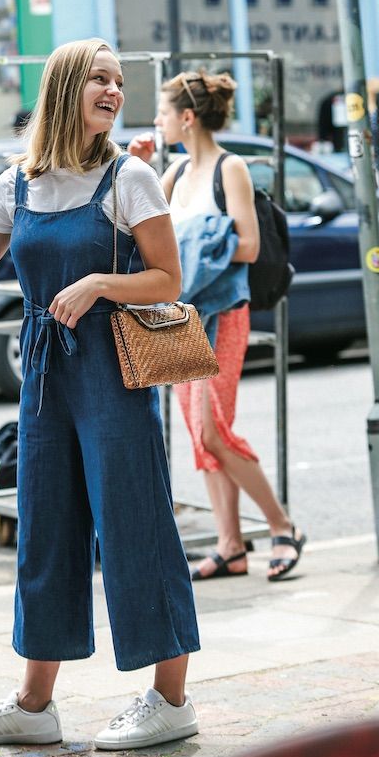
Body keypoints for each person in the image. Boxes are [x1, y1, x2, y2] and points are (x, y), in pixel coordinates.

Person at [0, 38, 200, 750]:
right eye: (99, 78)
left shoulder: (130, 178)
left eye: (118, 81)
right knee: (45, 527)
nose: (114, 91)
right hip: (43, 375)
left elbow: (168, 280)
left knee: (134, 523)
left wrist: (98, 283)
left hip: (113, 368)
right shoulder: (16, 184)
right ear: (64, 87)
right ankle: (35, 706)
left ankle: (171, 699)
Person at [129, 70, 305, 583]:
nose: (157, 120)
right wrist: (140, 168)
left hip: (224, 314)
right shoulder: (174, 171)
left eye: (163, 112)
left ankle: (282, 526)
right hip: (183, 320)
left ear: (186, 117)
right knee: (198, 433)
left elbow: (247, 245)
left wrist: (194, 242)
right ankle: (231, 546)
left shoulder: (232, 169)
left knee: (213, 429)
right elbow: (143, 233)